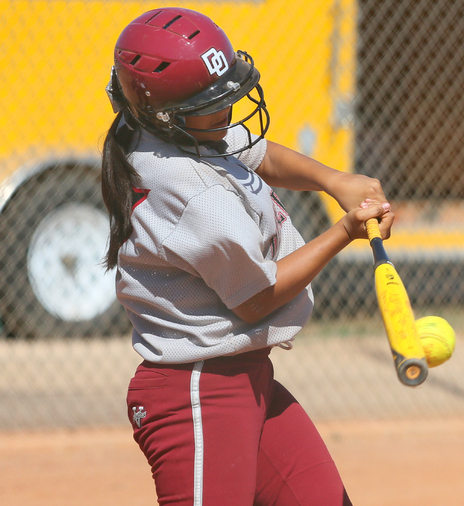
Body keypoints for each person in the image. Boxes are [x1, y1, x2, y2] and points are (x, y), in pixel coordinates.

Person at [101, 7, 393, 506]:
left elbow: (254, 150)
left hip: (246, 379)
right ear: (166, 114)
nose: (231, 113)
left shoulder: (179, 132)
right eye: (215, 105)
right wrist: (345, 231)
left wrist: (334, 180)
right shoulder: (190, 190)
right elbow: (258, 298)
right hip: (197, 392)